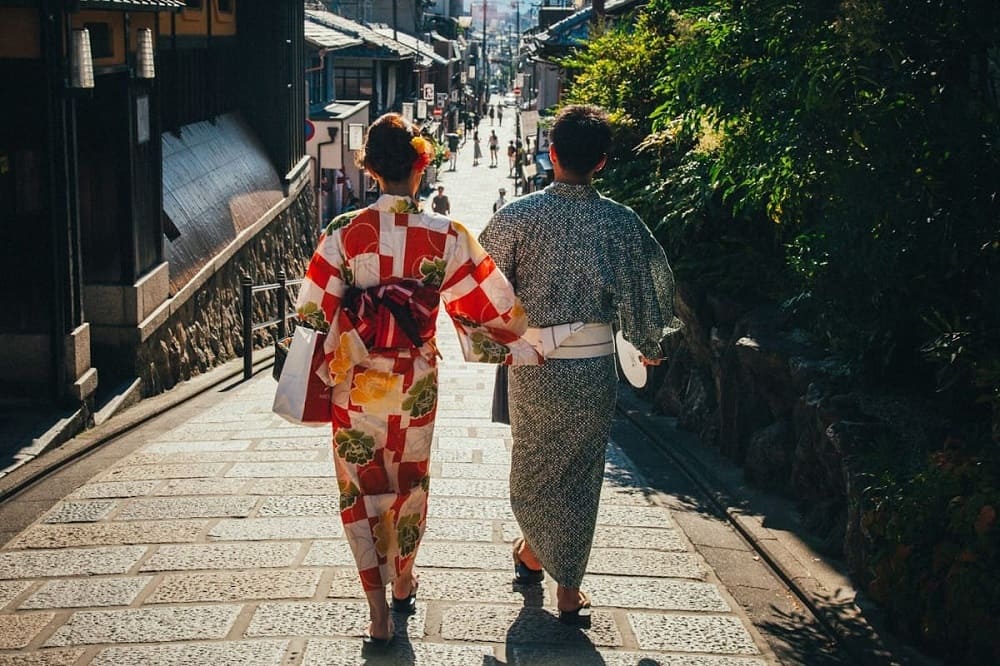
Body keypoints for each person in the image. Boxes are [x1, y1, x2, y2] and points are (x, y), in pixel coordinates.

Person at [294, 113, 539, 647]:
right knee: (408, 481)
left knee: (359, 484)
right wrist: (530, 343)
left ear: (371, 170)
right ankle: (403, 577)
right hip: (414, 380)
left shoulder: (342, 234)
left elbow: (312, 314)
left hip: (355, 381)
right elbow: (491, 308)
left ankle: (378, 609)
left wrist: (351, 330)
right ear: (421, 165)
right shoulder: (446, 235)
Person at [479, 104, 678, 625]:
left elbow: (481, 288)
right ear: (603, 164)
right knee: (581, 473)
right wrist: (647, 338)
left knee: (534, 463)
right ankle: (564, 585)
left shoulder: (516, 217)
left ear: (552, 154)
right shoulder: (619, 222)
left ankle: (536, 554)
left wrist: (495, 343)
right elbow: (650, 279)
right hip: (592, 367)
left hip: (534, 365)